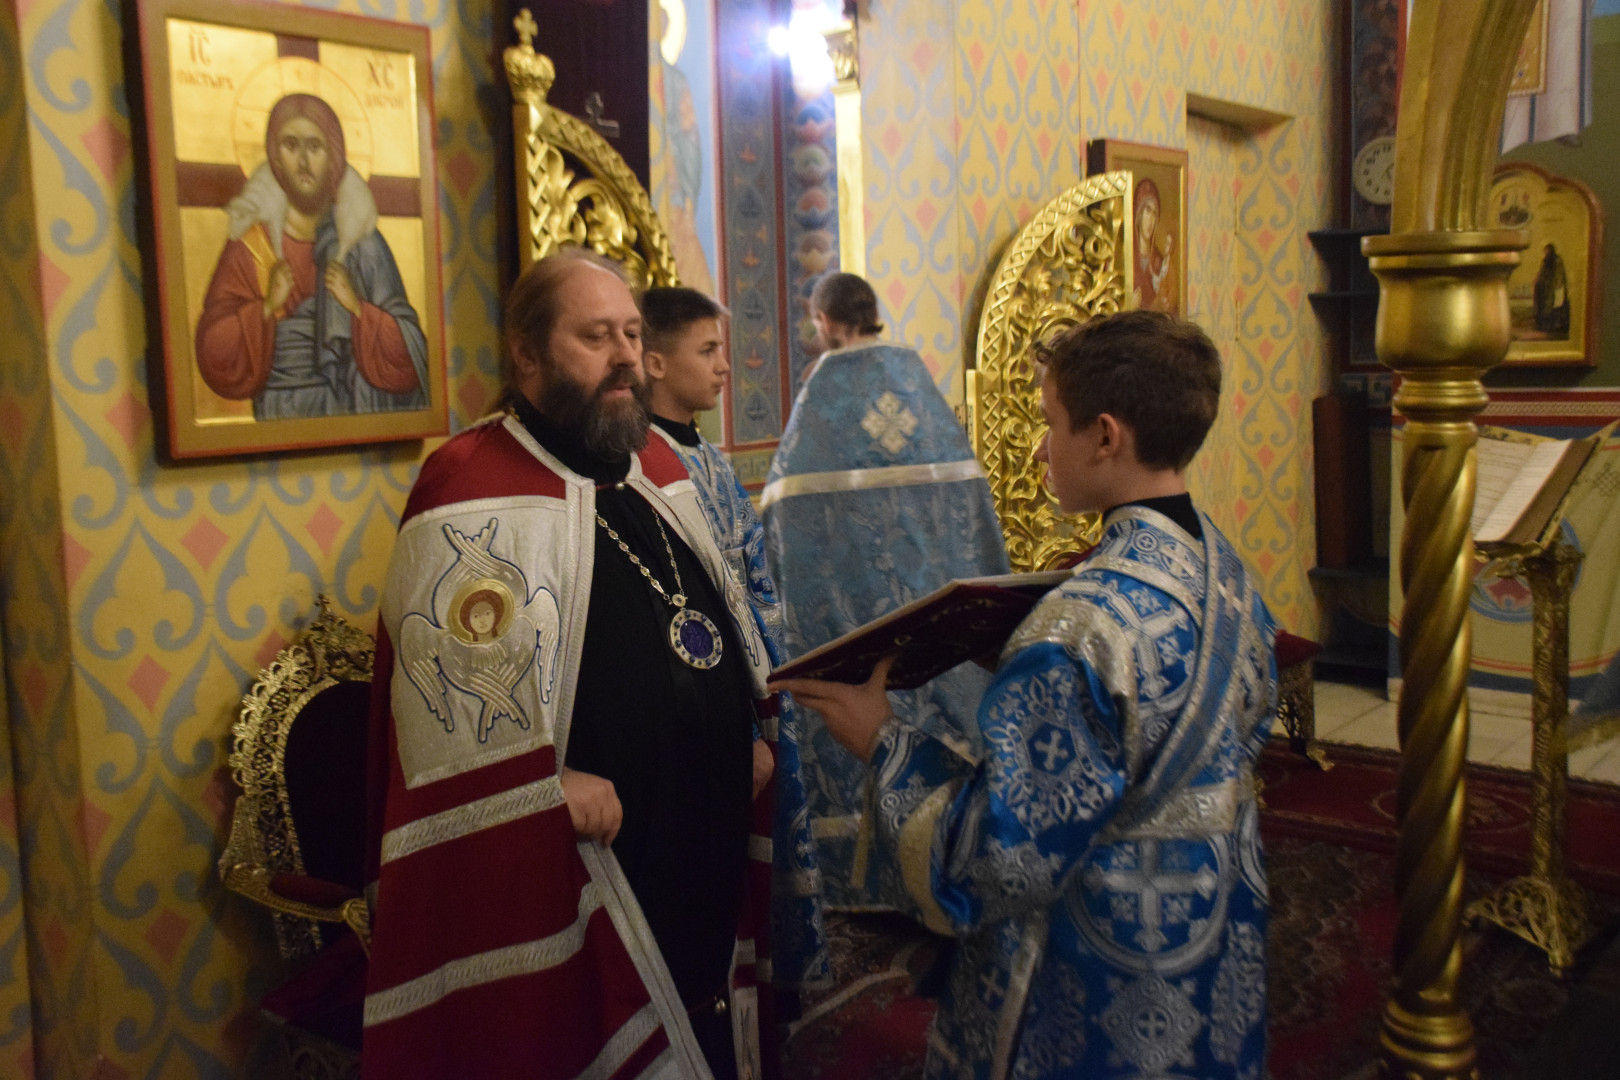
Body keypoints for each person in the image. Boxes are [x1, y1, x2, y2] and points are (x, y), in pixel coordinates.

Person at [772, 310, 1278, 1080]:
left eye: (1048, 423)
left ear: (1106, 435)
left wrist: (883, 740)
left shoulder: (1078, 630)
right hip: (1213, 922)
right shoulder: (1225, 572)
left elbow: (995, 862)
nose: (1040, 446)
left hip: (1089, 967)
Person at [363, 248, 777, 1080]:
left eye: (631, 332)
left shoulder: (659, 469)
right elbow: (445, 714)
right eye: (596, 336)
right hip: (588, 865)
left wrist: (747, 728)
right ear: (528, 354)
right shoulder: (469, 485)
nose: (626, 354)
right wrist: (542, 789)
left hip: (697, 831)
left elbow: (713, 620)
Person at [761, 271, 1010, 907]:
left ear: (824, 322)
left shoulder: (825, 396)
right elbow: (972, 512)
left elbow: (783, 518)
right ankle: (956, 845)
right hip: (934, 614)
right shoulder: (918, 387)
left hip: (856, 616)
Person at [639, 286, 830, 1000]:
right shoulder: (640, 464)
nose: (726, 366)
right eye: (707, 350)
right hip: (711, 698)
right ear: (655, 362)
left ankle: (775, 991)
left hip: (760, 676)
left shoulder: (711, 458)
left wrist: (778, 660)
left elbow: (754, 567)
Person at [196, 93, 428, 419]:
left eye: (315, 147)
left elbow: (412, 351)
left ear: (333, 156)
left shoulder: (363, 244)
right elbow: (212, 351)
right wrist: (264, 307)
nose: (303, 161)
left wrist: (357, 308)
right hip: (276, 415)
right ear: (274, 157)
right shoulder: (251, 244)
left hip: (348, 412)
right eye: (291, 145)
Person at [1132, 178, 1178, 315]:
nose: (1150, 220)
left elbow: (1174, 312)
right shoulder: (1125, 258)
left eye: (1154, 213)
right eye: (1147, 210)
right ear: (1138, 214)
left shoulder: (1160, 262)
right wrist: (1128, 305)